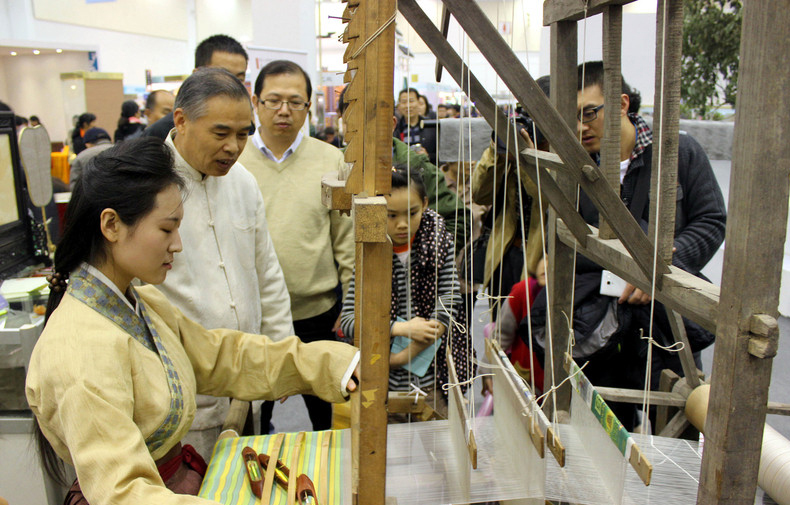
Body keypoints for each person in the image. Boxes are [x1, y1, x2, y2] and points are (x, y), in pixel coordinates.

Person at [26, 137, 359, 504]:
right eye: (167, 229)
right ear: (111, 225)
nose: (177, 245)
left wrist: (330, 364)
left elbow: (219, 357)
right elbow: (124, 493)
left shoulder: (141, 302)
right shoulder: (78, 350)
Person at [541, 61, 726, 430]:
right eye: (571, 119)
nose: (580, 127)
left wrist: (658, 268)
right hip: (603, 330)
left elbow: (710, 222)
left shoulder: (678, 153)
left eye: (589, 112)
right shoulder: (577, 172)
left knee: (676, 432)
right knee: (601, 436)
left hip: (665, 325)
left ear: (622, 104)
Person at [156, 67, 294, 456]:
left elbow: (266, 271)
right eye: (221, 133)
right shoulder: (147, 186)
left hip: (244, 384)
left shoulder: (243, 182)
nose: (233, 147)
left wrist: (280, 350)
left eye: (243, 134)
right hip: (177, 391)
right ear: (181, 120)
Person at [238, 60, 354, 433]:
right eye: (273, 100)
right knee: (253, 420)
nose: (284, 110)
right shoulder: (234, 160)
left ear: (309, 106)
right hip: (252, 317)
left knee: (330, 418)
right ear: (255, 102)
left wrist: (350, 303)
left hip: (319, 314)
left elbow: (346, 239)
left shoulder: (330, 159)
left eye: (295, 101)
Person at [340, 167, 473, 420]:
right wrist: (400, 330)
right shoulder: (369, 254)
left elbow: (449, 303)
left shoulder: (439, 245)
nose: (402, 224)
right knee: (384, 451)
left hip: (433, 381)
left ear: (424, 204)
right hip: (380, 384)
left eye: (411, 213)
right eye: (391, 215)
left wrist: (403, 355)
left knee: (438, 448)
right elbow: (349, 321)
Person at [470, 76, 551, 320]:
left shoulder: (564, 153)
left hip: (542, 261)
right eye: (521, 112)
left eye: (534, 115)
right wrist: (497, 150)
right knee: (499, 332)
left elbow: (550, 204)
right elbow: (479, 194)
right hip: (505, 254)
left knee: (529, 337)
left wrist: (529, 160)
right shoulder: (509, 146)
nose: (525, 122)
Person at [144, 34, 248, 140]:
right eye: (223, 76)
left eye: (239, 79)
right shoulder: (158, 134)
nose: (233, 85)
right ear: (197, 74)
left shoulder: (246, 129)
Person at [393, 87, 438, 164]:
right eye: (403, 102)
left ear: (418, 102)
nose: (408, 105)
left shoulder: (431, 126)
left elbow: (440, 155)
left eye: (411, 101)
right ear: (399, 105)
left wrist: (428, 156)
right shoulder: (395, 128)